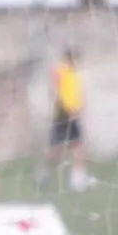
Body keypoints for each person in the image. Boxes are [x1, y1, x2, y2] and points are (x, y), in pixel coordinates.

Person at [37, 47, 96, 193]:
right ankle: (43, 172)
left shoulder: (75, 74)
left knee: (80, 147)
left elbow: (77, 93)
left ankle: (76, 180)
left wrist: (81, 107)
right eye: (76, 59)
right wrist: (67, 110)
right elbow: (56, 92)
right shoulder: (60, 71)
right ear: (70, 58)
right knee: (57, 150)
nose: (78, 62)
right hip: (63, 115)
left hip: (73, 115)